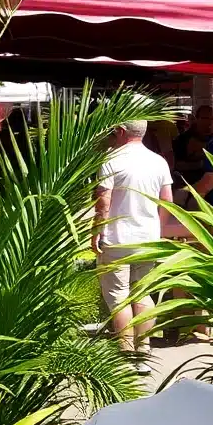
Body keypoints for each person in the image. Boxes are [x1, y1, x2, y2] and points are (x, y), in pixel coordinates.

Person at [92, 120, 172, 355]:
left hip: (117, 238)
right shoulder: (158, 161)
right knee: (142, 293)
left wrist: (97, 230)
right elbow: (167, 200)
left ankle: (126, 351)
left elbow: (103, 201)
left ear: (121, 131)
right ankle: (144, 350)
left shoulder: (111, 160)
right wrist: (159, 229)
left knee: (118, 297)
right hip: (147, 238)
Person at [172, 105, 213, 186]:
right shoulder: (183, 139)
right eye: (205, 118)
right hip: (188, 184)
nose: (208, 122)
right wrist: (200, 164)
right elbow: (176, 165)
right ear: (196, 119)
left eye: (212, 119)